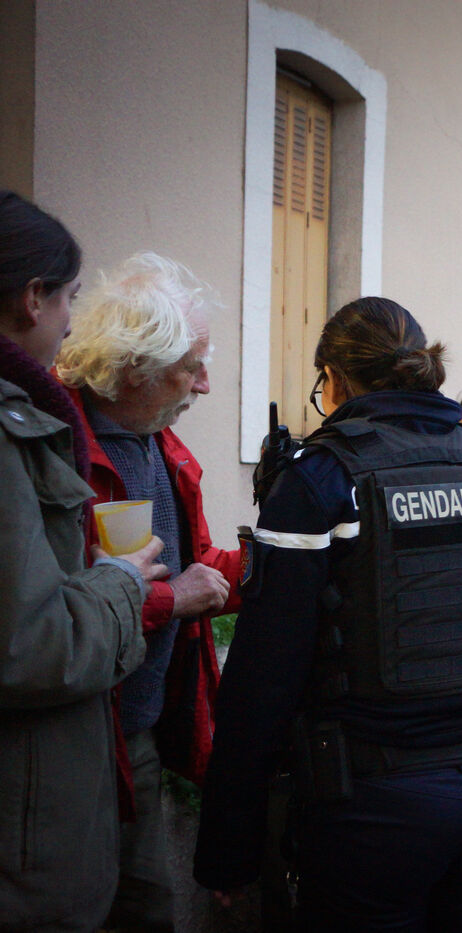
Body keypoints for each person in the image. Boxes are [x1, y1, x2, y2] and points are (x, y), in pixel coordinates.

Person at [194, 298, 462, 929]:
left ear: (334, 379)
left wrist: (229, 845)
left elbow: (263, 678)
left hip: (371, 807)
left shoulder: (321, 480)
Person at [54, 252, 241, 930]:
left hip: (136, 729)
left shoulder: (158, 441)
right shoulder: (59, 448)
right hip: (72, 736)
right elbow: (54, 608)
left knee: (147, 906)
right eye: (192, 367)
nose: (206, 384)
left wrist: (280, 561)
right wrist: (171, 600)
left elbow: (192, 568)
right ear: (135, 368)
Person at [0, 191, 166, 931]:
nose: (72, 321)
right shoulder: (19, 428)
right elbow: (31, 642)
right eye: (68, 296)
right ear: (32, 298)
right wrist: (123, 584)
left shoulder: (146, 443)